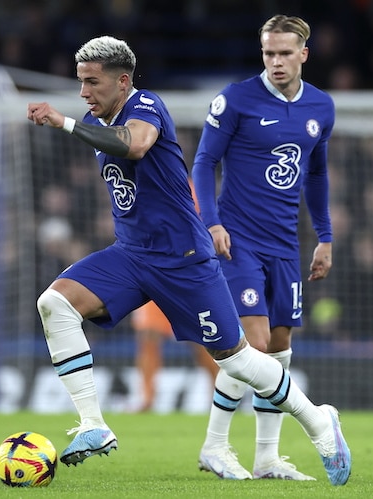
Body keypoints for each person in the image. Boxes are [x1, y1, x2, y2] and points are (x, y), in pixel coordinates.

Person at [27, 35, 350, 486]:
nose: (83, 92)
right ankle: (93, 424)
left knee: (236, 359)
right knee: (54, 303)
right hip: (132, 255)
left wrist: (62, 122)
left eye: (91, 82)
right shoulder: (99, 118)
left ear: (122, 81)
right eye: (80, 83)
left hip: (184, 260)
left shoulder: (146, 107)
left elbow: (135, 146)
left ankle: (317, 421)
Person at [192, 14, 335, 481]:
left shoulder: (321, 107)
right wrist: (211, 223)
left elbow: (316, 175)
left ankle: (267, 458)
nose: (275, 61)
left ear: (303, 55)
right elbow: (204, 161)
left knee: (278, 349)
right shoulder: (235, 99)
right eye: (269, 53)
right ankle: (214, 446)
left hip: (285, 245)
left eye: (284, 53)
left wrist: (326, 237)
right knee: (251, 346)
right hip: (239, 241)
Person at [132, 300, 217, 412]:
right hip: (154, 290)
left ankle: (219, 395)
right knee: (148, 335)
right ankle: (147, 399)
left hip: (187, 290)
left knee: (202, 340)